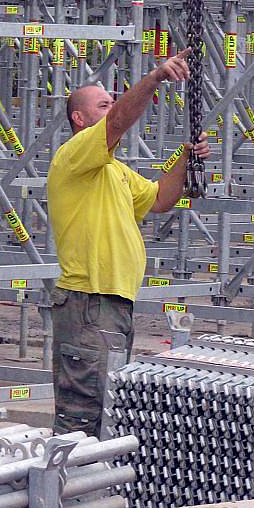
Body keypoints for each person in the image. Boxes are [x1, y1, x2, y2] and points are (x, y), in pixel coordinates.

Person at [47, 48, 210, 437]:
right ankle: (64, 489)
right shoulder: (73, 157)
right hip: (89, 302)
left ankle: (90, 486)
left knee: (108, 404)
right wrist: (155, 79)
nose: (112, 108)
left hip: (113, 303)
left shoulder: (114, 171)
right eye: (103, 104)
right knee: (83, 410)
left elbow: (159, 199)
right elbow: (120, 120)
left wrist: (185, 158)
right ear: (79, 119)